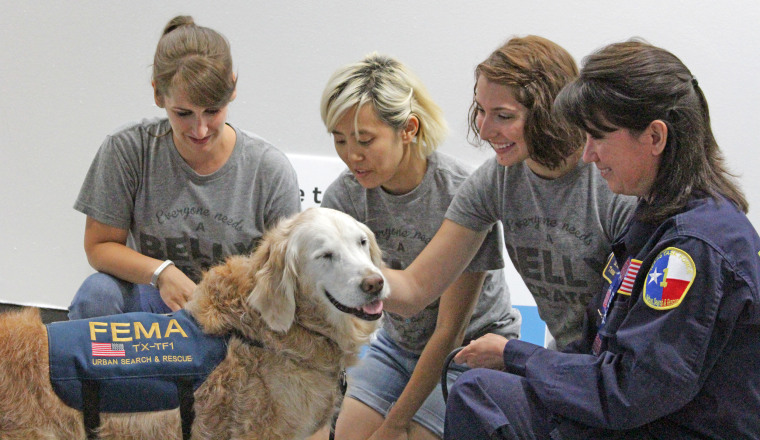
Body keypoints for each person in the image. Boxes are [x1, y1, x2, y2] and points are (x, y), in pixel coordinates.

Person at [446, 39, 760, 439]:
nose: (588, 155)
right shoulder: (657, 221)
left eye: (598, 137)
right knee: (484, 391)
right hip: (638, 416)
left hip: (663, 425)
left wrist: (517, 355)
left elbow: (630, 392)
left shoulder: (693, 249)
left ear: (655, 138)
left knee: (481, 396)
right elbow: (601, 352)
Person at [307, 53, 521, 440]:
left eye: (365, 140)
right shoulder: (345, 196)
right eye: (339, 140)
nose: (351, 155)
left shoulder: (463, 194)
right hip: (397, 346)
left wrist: (395, 423)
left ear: (408, 129)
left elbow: (449, 331)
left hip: (469, 352)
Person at [383, 35, 635, 356]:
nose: (486, 130)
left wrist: (521, 359)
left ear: (550, 112)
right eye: (481, 110)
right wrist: (333, 272)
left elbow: (632, 341)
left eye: (503, 116)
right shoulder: (496, 179)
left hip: (615, 364)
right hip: (569, 362)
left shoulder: (610, 183)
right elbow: (415, 290)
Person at [68, 16, 300, 320]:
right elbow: (99, 246)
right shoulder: (128, 149)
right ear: (157, 94)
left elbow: (284, 278)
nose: (200, 130)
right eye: (183, 113)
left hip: (235, 317)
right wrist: (161, 272)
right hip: (152, 300)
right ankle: (102, 366)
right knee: (97, 295)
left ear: (232, 89)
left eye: (212, 112)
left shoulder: (269, 170)